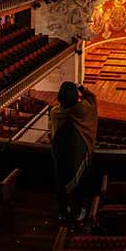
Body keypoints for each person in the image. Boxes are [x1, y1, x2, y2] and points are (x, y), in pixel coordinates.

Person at [51, 81, 98, 222]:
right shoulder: (84, 110)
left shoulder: (55, 113)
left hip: (60, 155)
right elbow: (92, 99)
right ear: (75, 97)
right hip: (80, 154)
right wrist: (81, 88)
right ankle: (77, 213)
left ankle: (63, 212)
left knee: (61, 182)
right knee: (79, 184)